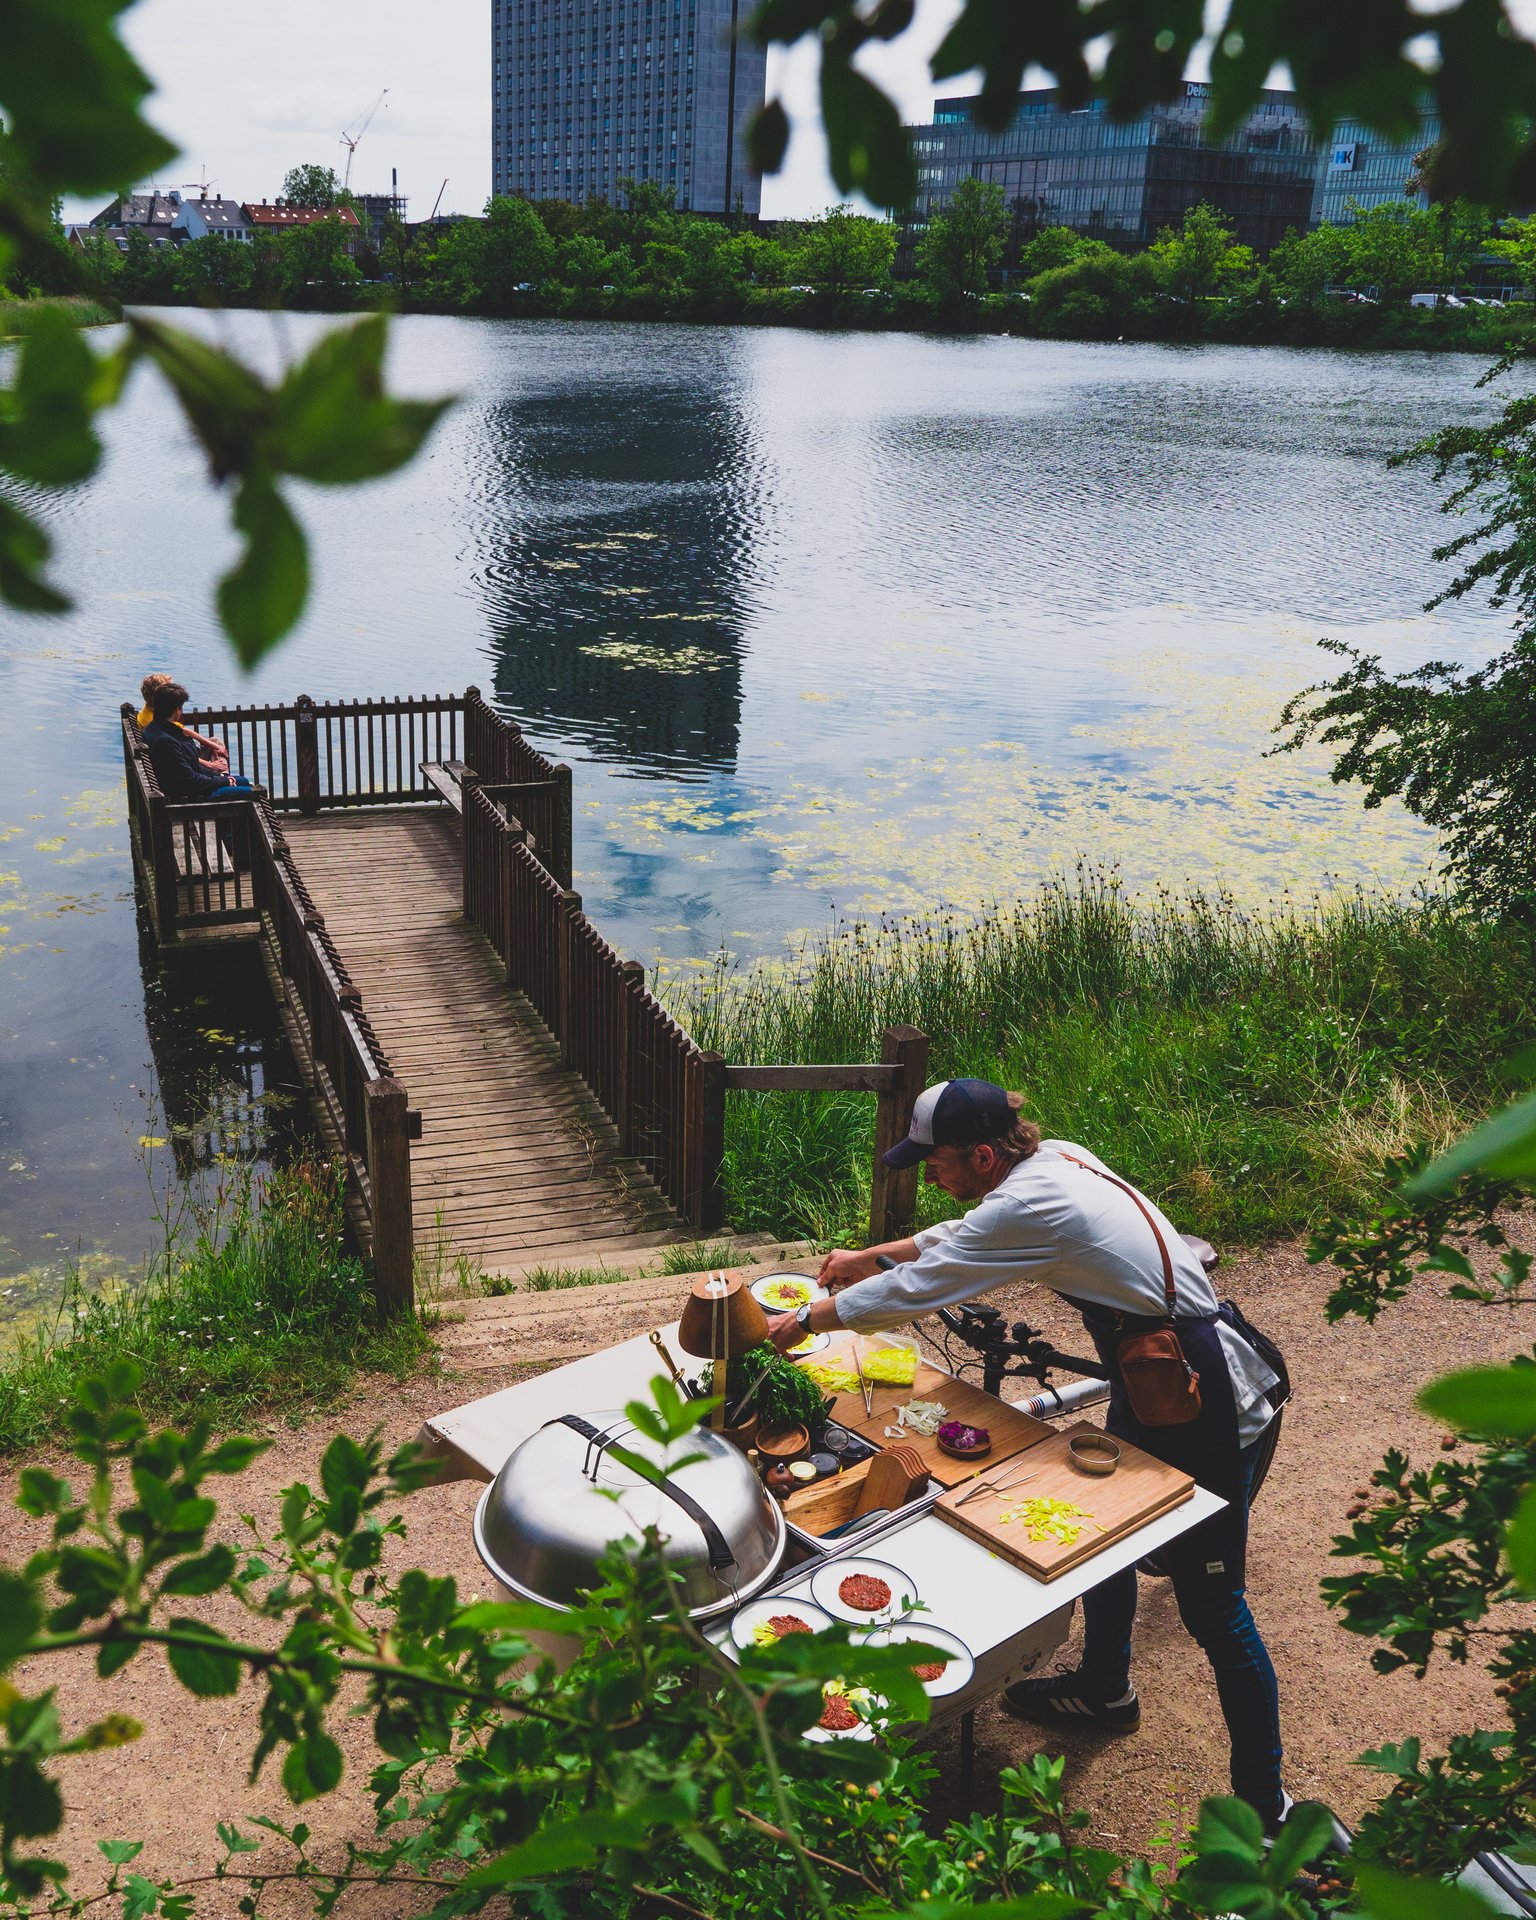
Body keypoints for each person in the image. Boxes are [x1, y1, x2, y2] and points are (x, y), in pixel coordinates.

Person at [764, 1076, 1288, 1831]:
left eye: (933, 1160)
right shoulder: (1055, 1161)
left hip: (1198, 1393)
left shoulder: (1039, 1200)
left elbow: (935, 1278)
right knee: (1107, 1538)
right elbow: (967, 1234)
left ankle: (1268, 1809)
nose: (925, 1174)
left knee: (1217, 1611)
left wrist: (812, 1318)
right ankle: (1106, 1690)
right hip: (1154, 1373)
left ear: (981, 1154)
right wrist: (871, 1254)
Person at [141, 682, 253, 806]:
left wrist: (220, 777)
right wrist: (223, 781)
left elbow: (191, 768)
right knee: (252, 792)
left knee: (243, 781)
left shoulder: (153, 729)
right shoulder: (167, 742)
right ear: (176, 709)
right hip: (186, 795)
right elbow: (190, 780)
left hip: (179, 787)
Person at [136, 672, 228, 774]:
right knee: (217, 746)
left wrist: (212, 746)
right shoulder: (153, 721)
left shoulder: (150, 713)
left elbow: (184, 731)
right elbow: (181, 755)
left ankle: (224, 776)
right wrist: (210, 765)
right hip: (184, 762)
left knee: (216, 742)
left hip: (188, 751)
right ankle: (224, 776)